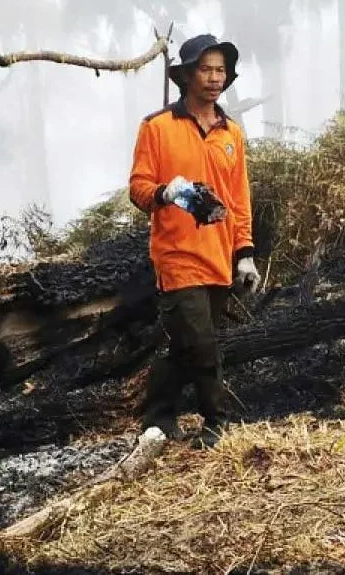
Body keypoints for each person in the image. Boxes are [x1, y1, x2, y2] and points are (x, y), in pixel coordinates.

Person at [128, 33, 260, 448]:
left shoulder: (231, 135)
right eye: (206, 69)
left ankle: (157, 415)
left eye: (221, 70)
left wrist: (245, 254)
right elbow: (137, 187)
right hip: (176, 255)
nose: (214, 78)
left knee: (188, 344)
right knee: (202, 342)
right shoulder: (157, 127)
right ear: (186, 75)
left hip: (219, 257)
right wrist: (164, 193)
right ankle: (216, 423)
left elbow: (239, 200)